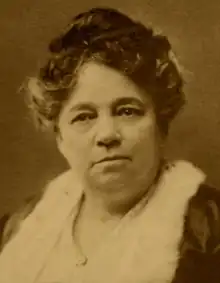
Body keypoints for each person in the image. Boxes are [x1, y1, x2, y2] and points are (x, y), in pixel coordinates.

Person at [0, 6, 219, 283]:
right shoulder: (17, 233)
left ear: (161, 124)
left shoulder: (209, 235)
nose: (107, 135)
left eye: (127, 111)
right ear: (60, 137)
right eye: (84, 117)